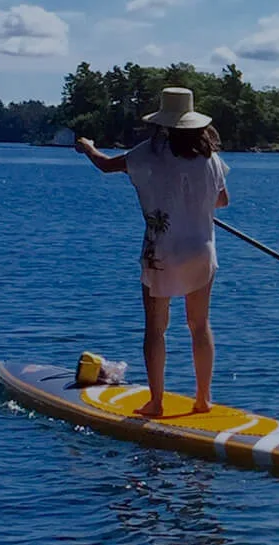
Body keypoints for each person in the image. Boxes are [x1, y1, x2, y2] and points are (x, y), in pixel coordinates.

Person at [76, 88, 230, 419]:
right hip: (202, 251)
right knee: (199, 325)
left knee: (156, 328)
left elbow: (105, 165)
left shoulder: (149, 153)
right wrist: (195, 205)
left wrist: (88, 147)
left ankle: (156, 403)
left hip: (163, 253)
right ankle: (203, 399)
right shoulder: (212, 158)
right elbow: (222, 202)